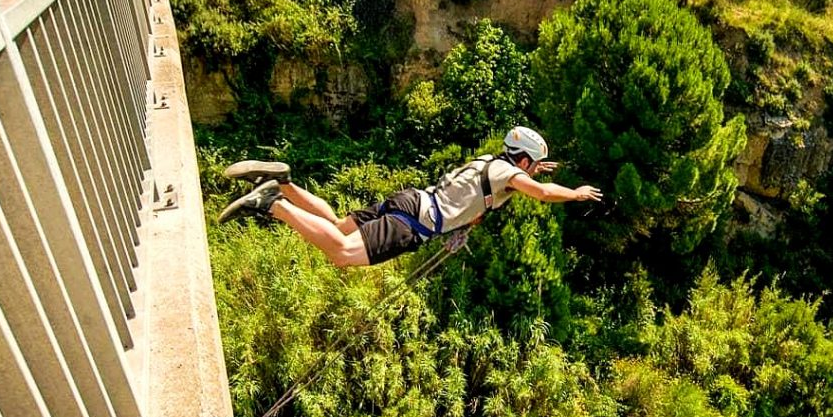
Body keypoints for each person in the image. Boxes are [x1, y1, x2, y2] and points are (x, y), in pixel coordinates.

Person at [217, 126, 603, 267]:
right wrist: (576, 193)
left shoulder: (490, 162)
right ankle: (273, 204)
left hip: (411, 200)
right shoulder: (511, 174)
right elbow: (539, 192)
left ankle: (284, 182)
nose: (534, 172)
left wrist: (465, 225)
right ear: (523, 161)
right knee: (342, 252)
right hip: (414, 223)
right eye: (533, 165)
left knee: (337, 225)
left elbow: (486, 194)